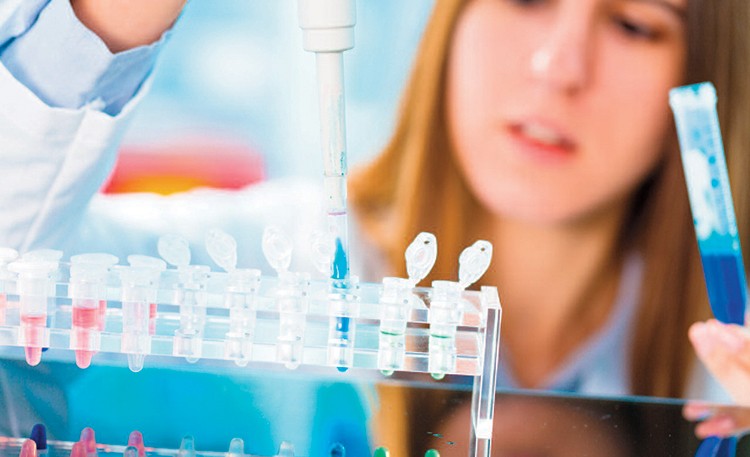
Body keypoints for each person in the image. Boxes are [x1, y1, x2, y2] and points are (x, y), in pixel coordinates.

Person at [1, 0, 749, 445]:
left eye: (633, 24)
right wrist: (110, 18)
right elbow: (14, 265)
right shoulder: (265, 267)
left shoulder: (723, 357)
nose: (559, 65)